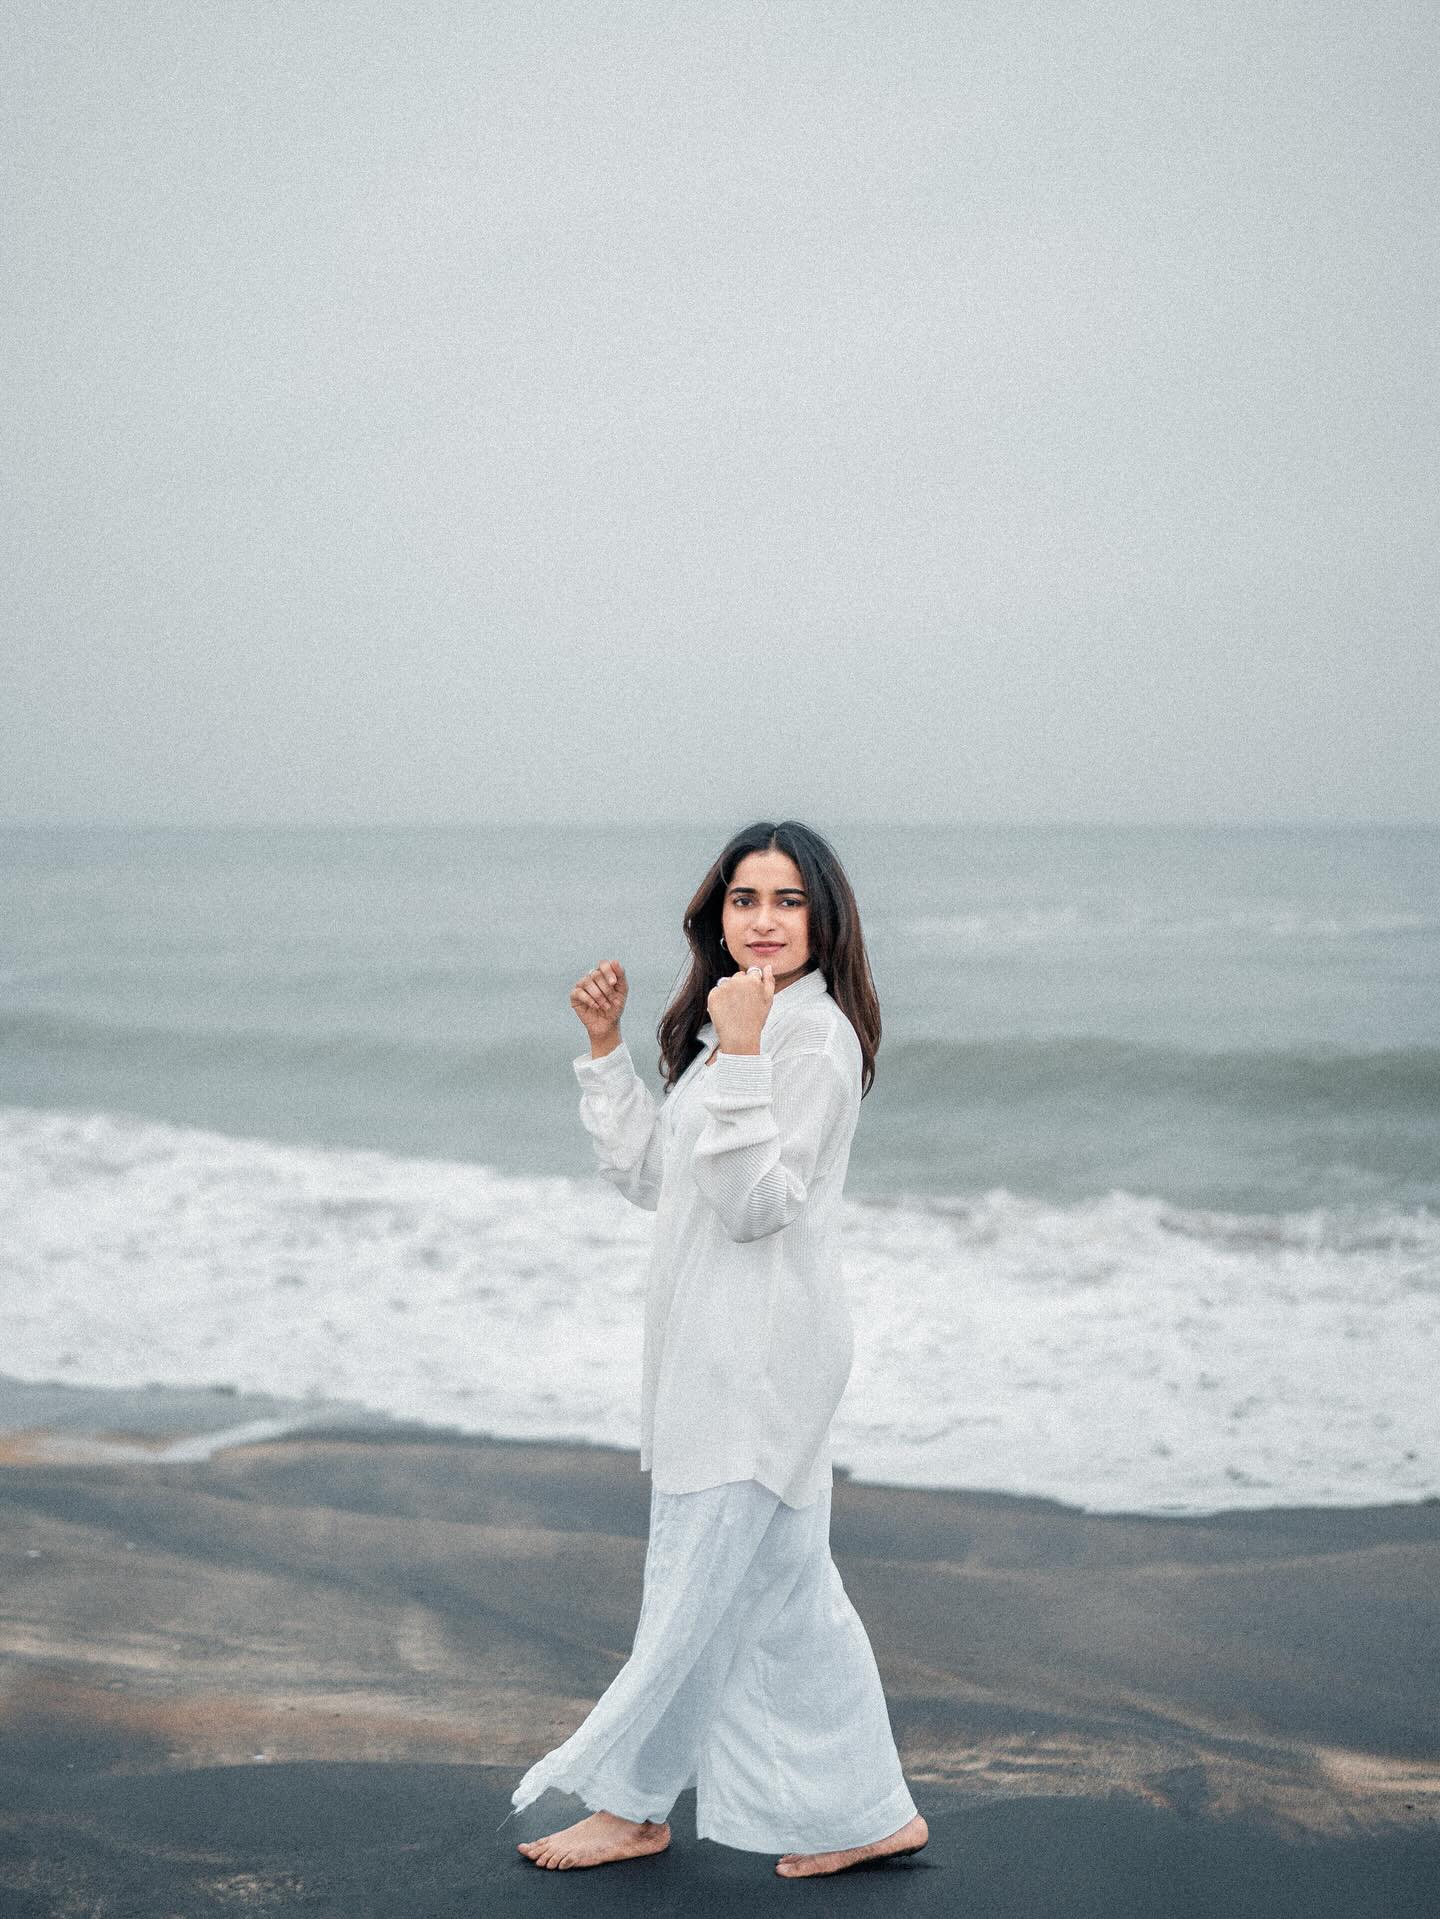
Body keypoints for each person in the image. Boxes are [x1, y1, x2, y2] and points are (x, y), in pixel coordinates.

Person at [509, 819, 928, 1878]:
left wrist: (742, 1051)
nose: (764, 919)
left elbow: (755, 1207)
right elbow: (660, 1178)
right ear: (718, 914)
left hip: (760, 1360)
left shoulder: (810, 1037)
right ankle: (870, 1811)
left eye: (788, 899)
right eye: (746, 898)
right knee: (784, 1595)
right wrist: (607, 1049)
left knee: (694, 1586)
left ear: (824, 918)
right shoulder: (741, 1021)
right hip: (713, 1348)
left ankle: (630, 1805)